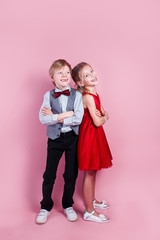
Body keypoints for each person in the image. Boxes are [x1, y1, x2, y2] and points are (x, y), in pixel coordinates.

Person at [36, 59, 84, 224]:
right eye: (60, 72)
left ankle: (68, 204)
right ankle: (45, 206)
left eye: (67, 72)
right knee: (49, 174)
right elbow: (43, 118)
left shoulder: (77, 95)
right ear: (52, 77)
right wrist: (65, 115)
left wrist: (55, 118)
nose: (64, 75)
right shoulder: (47, 95)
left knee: (71, 174)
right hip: (54, 139)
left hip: (72, 138)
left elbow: (78, 118)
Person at [72, 62, 113, 223]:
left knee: (93, 171)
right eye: (87, 75)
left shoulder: (95, 94)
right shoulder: (88, 97)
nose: (92, 75)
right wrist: (104, 117)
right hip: (89, 138)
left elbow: (104, 113)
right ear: (81, 83)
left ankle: (92, 200)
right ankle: (89, 211)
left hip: (96, 137)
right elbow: (99, 120)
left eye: (92, 71)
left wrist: (103, 116)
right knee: (89, 173)